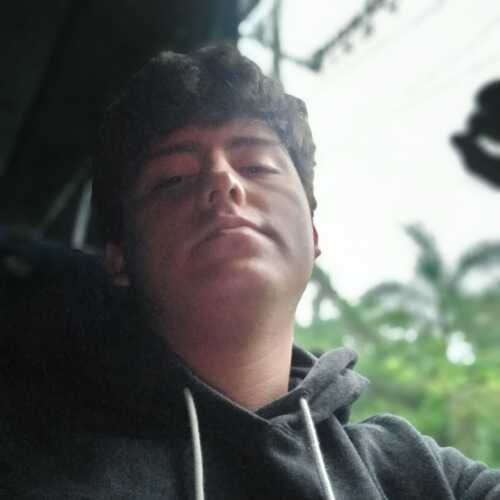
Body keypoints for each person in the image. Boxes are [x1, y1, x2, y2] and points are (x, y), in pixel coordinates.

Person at [2, 44, 500, 500]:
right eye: (172, 178)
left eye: (257, 166)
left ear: (313, 235)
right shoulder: (30, 462)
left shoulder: (416, 472)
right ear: (118, 259)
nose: (222, 181)